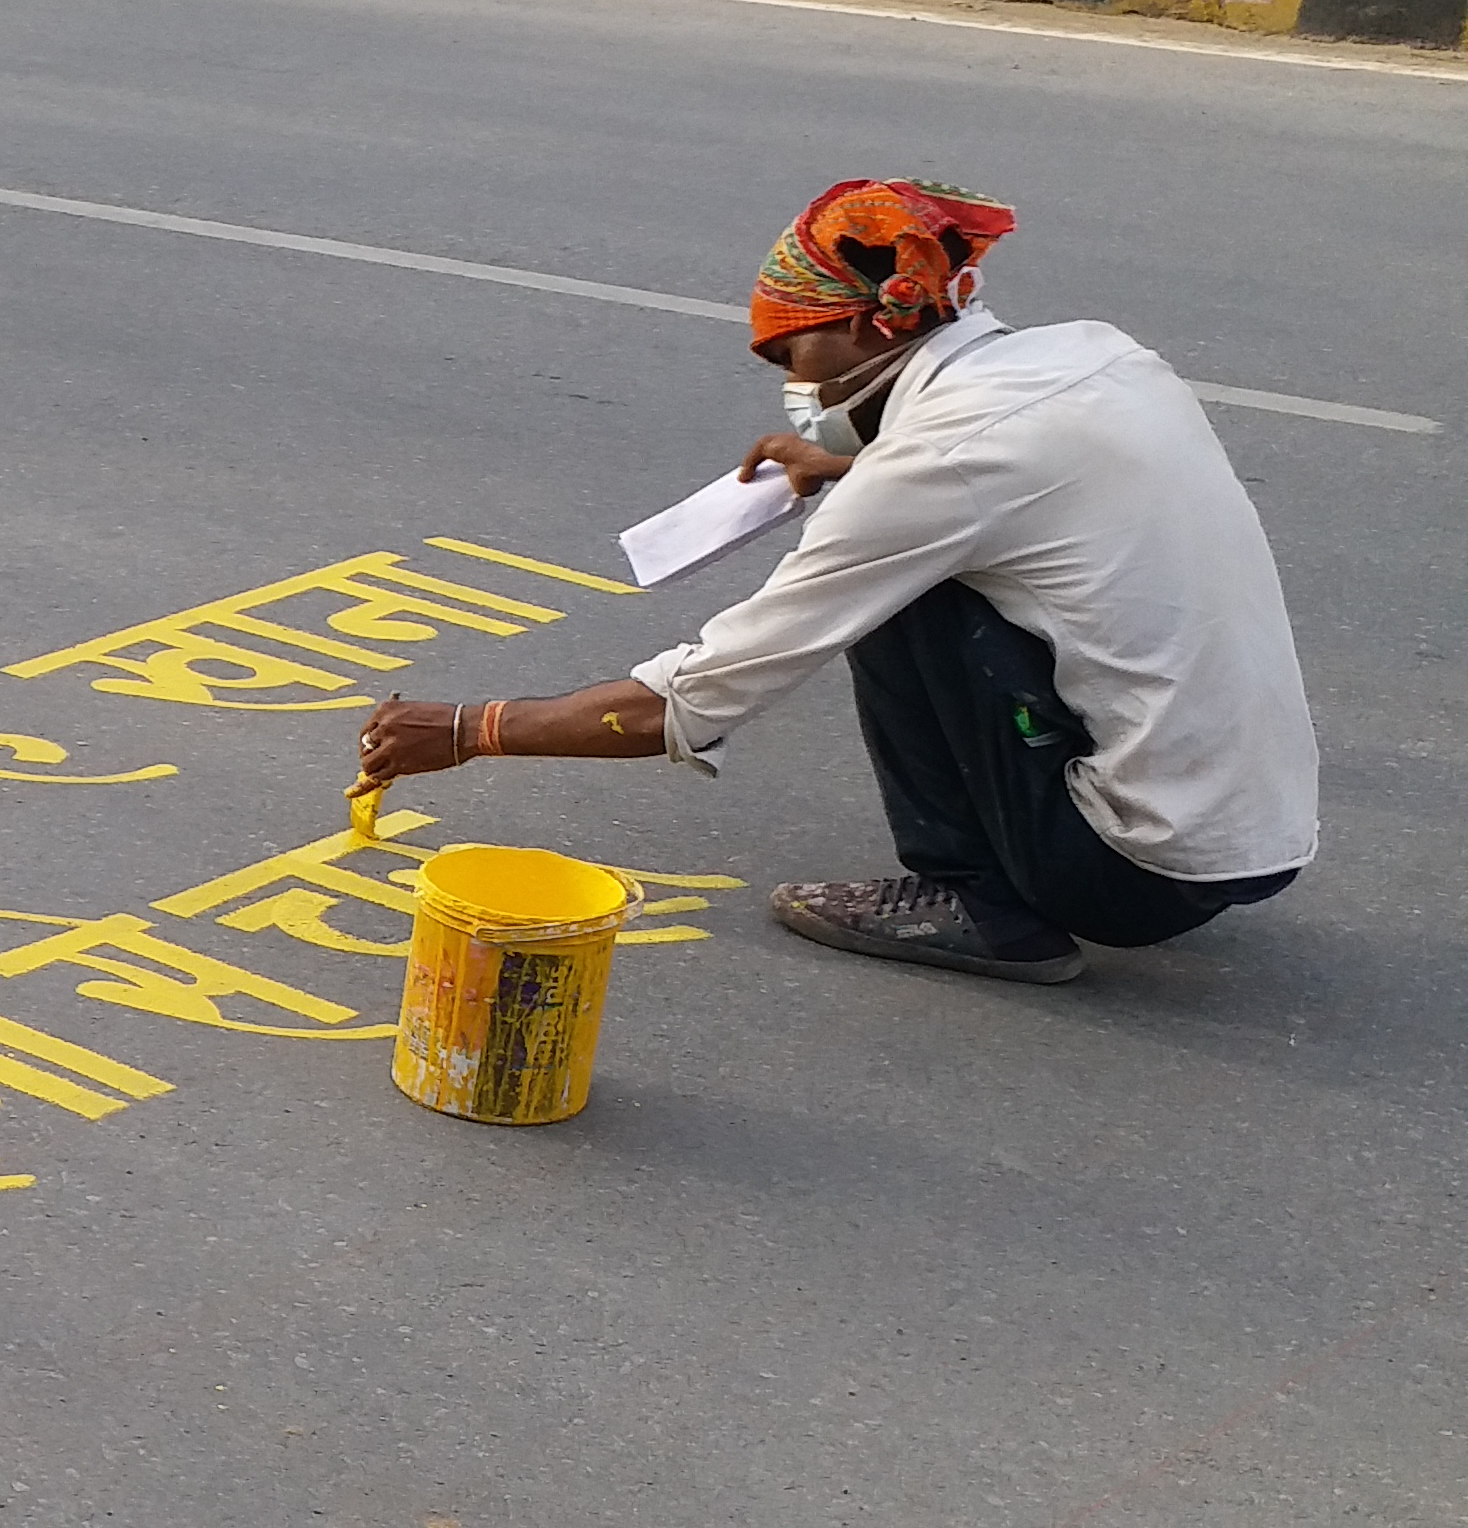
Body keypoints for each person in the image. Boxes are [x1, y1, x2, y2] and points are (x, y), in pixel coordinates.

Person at [355, 178, 1317, 984]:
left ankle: (983, 904)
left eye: (791, 356)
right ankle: (1029, 857)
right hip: (1258, 829)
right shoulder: (1094, 355)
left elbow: (694, 701)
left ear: (864, 324)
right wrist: (852, 461)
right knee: (935, 573)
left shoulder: (936, 474)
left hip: (1133, 872)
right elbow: (1013, 488)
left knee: (908, 599)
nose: (796, 388)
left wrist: (468, 729)